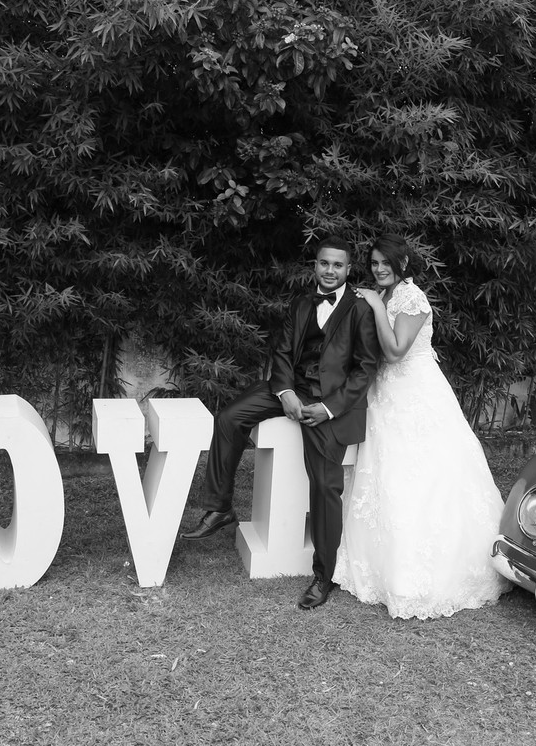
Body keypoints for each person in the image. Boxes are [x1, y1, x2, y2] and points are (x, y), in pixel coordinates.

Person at [181, 236, 381, 611]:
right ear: (315, 265)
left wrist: (328, 408)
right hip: (293, 388)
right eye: (324, 263)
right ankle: (220, 507)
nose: (330, 270)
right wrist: (285, 391)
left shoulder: (361, 310)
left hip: (329, 402)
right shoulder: (302, 303)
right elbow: (283, 352)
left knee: (324, 484)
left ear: (348, 269)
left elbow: (365, 368)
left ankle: (324, 576)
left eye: (338, 265)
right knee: (229, 417)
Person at [334, 234, 510, 619]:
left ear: (404, 265)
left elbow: (396, 351)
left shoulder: (411, 298)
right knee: (383, 475)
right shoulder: (384, 295)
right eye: (375, 262)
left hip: (415, 392)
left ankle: (429, 572)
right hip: (384, 396)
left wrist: (378, 308)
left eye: (386, 263)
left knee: (424, 475)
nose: (379, 269)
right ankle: (379, 565)